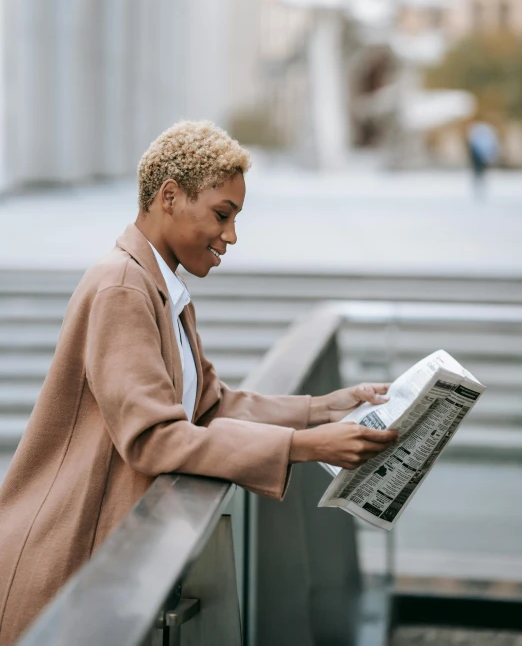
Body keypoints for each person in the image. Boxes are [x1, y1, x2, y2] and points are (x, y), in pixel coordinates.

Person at [0, 121, 397, 644]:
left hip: (102, 553)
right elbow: (154, 438)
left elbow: (211, 404)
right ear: (169, 197)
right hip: (69, 557)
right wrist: (303, 446)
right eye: (222, 215)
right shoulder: (123, 286)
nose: (231, 236)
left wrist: (322, 409)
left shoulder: (164, 288)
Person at [466, 120, 499, 197]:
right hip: (479, 158)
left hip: (480, 158)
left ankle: (480, 185)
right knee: (479, 172)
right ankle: (479, 185)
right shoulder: (481, 135)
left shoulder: (478, 135)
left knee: (480, 172)